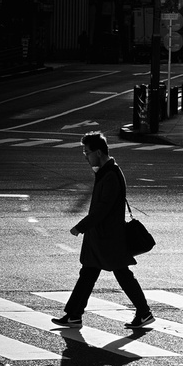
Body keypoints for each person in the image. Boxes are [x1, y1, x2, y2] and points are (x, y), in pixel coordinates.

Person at [51, 131, 155, 330]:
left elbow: (101, 210)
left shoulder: (110, 175)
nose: (85, 156)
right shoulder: (106, 172)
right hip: (101, 237)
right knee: (89, 273)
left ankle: (144, 312)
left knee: (121, 274)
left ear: (98, 152)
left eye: (87, 152)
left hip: (108, 238)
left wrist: (80, 227)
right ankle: (74, 314)